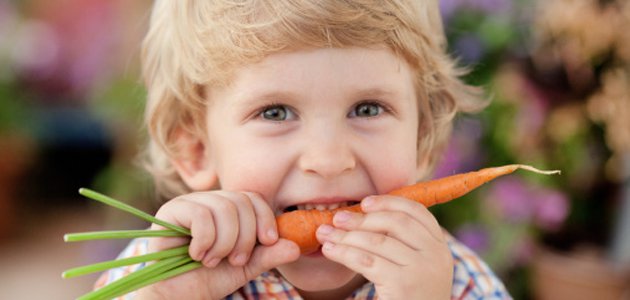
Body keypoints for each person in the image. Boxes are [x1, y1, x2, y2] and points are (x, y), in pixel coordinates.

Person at [96, 0, 511, 299]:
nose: (328, 160)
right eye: (275, 113)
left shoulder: (458, 285)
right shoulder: (161, 271)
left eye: (367, 109)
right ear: (197, 149)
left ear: (422, 137)